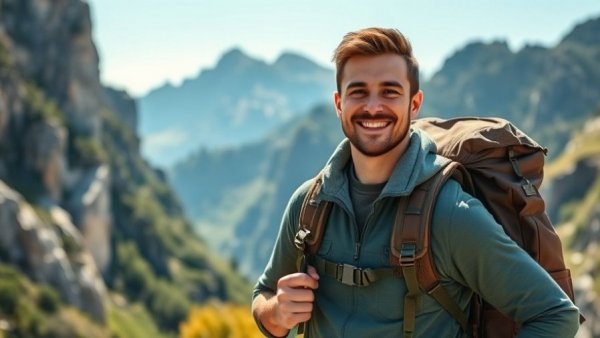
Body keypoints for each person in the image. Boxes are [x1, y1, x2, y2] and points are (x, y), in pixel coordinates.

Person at [251, 27, 580, 337]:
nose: (373, 106)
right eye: (358, 91)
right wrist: (278, 311)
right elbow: (263, 296)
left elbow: (555, 315)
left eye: (389, 92)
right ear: (339, 104)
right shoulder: (309, 204)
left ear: (414, 104)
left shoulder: (450, 214)